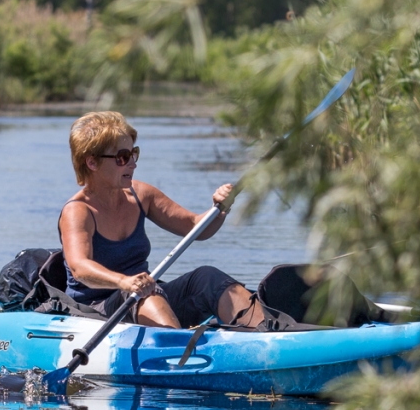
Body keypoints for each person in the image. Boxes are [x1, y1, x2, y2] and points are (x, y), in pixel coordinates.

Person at [59, 111, 265, 329]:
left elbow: (197, 228)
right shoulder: (78, 211)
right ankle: (178, 349)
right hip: (95, 310)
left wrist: (220, 207)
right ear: (92, 162)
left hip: (143, 295)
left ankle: (270, 333)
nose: (133, 164)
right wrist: (124, 282)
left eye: (133, 153)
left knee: (208, 278)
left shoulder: (141, 194)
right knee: (148, 294)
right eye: (122, 157)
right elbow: (80, 268)